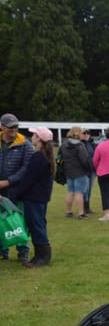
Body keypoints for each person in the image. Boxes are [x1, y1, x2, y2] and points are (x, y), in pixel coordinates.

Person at [13, 127, 54, 267]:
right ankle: (40, 255)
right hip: (41, 197)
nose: (32, 137)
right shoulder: (46, 156)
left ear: (39, 139)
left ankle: (43, 257)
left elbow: (29, 178)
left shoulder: (38, 157)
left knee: (36, 225)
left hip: (34, 197)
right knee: (39, 224)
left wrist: (18, 192)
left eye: (34, 135)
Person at [0, 113, 34, 264]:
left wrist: (8, 181)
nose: (14, 130)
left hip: (17, 189)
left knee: (20, 220)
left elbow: (27, 167)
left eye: (16, 127)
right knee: (1, 221)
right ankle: (3, 250)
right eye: (10, 127)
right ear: (2, 127)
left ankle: (23, 251)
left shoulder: (25, 144)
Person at [59, 126, 92, 219]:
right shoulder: (80, 145)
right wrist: (89, 168)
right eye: (81, 133)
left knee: (70, 192)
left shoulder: (64, 144)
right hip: (80, 171)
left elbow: (60, 156)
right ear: (78, 134)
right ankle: (81, 213)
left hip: (68, 170)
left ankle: (69, 211)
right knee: (79, 193)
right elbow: (84, 159)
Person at [80, 129, 97, 214]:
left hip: (93, 169)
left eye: (88, 133)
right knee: (84, 189)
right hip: (84, 170)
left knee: (90, 188)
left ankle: (87, 207)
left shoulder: (92, 144)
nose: (86, 135)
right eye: (84, 133)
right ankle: (83, 207)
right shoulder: (80, 144)